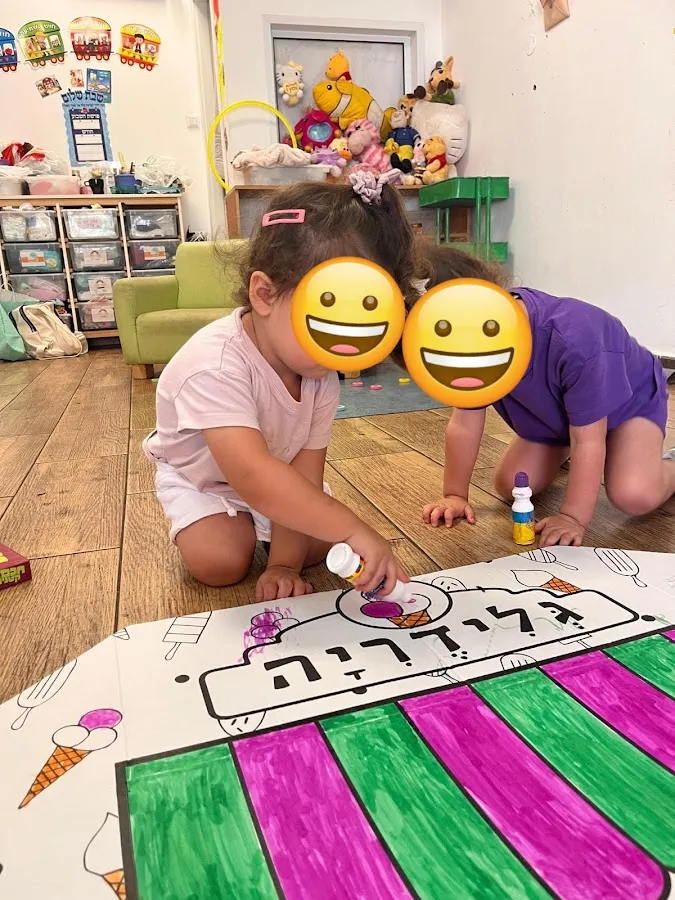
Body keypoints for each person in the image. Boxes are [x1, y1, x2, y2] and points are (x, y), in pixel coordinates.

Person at [144, 175, 415, 600]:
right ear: (265, 294)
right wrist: (352, 527)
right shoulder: (215, 365)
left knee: (319, 546)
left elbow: (305, 473)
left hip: (275, 473)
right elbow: (253, 476)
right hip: (204, 479)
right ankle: (237, 523)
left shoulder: (319, 371)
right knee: (221, 562)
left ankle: (273, 532)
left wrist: (285, 564)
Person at [416, 243, 674, 547]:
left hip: (629, 407)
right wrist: (455, 495)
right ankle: (564, 447)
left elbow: (588, 440)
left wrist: (573, 517)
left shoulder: (576, 341)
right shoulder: (470, 343)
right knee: (511, 484)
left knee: (634, 494)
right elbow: (464, 424)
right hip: (560, 419)